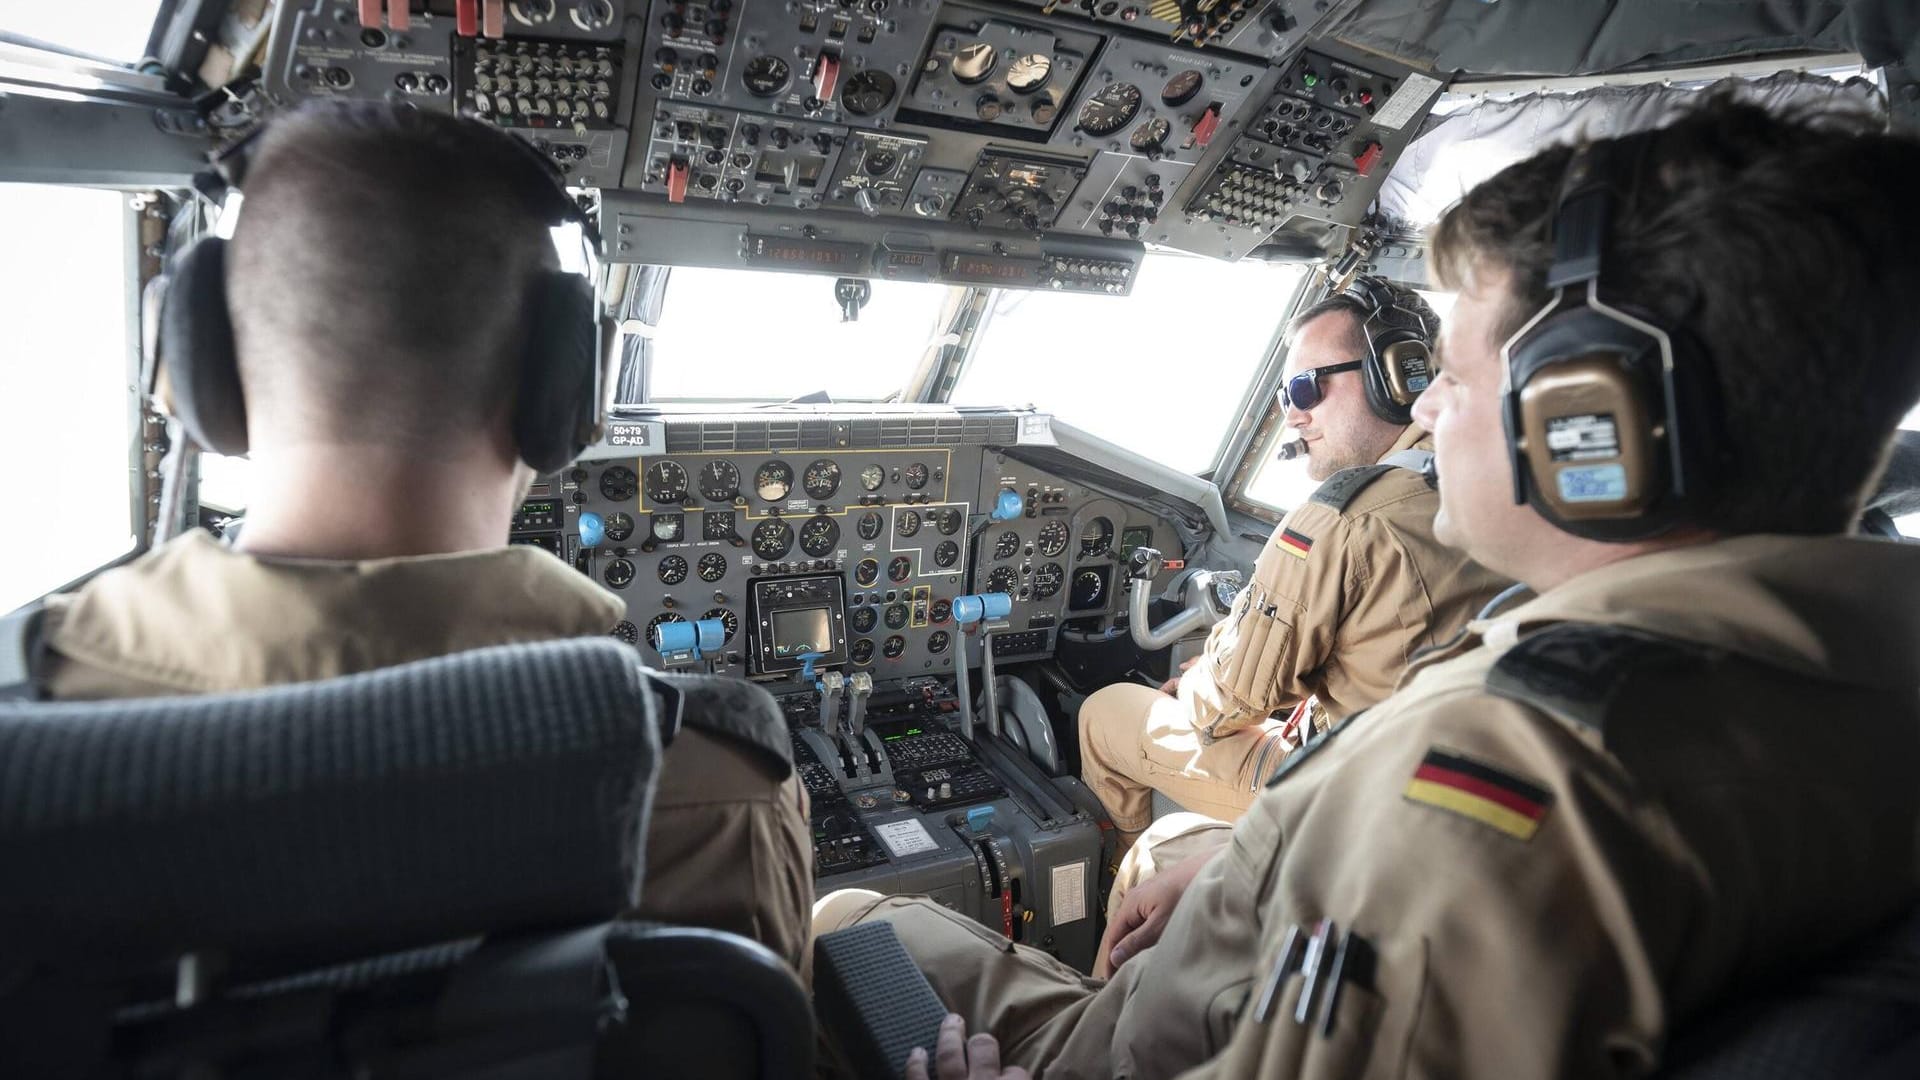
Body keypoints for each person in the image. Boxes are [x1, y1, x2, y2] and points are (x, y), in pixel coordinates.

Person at [826, 97, 1920, 1078]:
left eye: (1456, 369)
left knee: (844, 915)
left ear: (1592, 423)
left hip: (1113, 1052)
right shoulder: (1851, 680)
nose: (1432, 409)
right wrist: (1240, 868)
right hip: (1239, 946)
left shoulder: (1497, 781)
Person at [26, 103, 814, 974]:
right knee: (868, 916)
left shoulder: (38, 760)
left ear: (204, 374)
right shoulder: (715, 785)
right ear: (560, 395)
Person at [1077, 279, 1506, 851]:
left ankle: (1129, 870)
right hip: (1468, 783)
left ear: (1396, 376)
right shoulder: (1504, 473)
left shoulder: (1340, 518)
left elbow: (1222, 704)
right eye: (1284, 396)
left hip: (1361, 800)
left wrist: (1195, 684)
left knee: (1108, 713)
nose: (1293, 416)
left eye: (1307, 388)